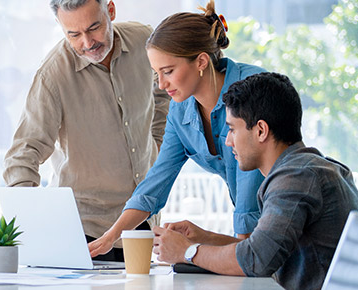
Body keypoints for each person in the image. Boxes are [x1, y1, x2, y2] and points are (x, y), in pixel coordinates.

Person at [152, 72, 358, 290]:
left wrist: (188, 252)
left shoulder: (296, 178)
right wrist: (203, 238)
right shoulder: (309, 168)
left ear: (261, 130)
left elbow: (256, 259)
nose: (227, 141)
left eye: (233, 129)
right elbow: (262, 250)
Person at [88, 0, 266, 258]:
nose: (161, 85)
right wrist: (111, 237)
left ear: (201, 61)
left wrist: (226, 254)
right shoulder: (181, 111)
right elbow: (155, 184)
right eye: (156, 73)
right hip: (258, 236)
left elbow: (250, 189)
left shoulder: (251, 89)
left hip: (289, 220)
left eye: (168, 71)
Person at [3, 0, 170, 262]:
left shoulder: (143, 41)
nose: (87, 42)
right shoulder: (53, 76)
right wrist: (32, 223)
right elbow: (24, 152)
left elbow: (164, 90)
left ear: (110, 11)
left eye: (94, 27)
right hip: (85, 231)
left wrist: (157, 140)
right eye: (73, 34)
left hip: (143, 222)